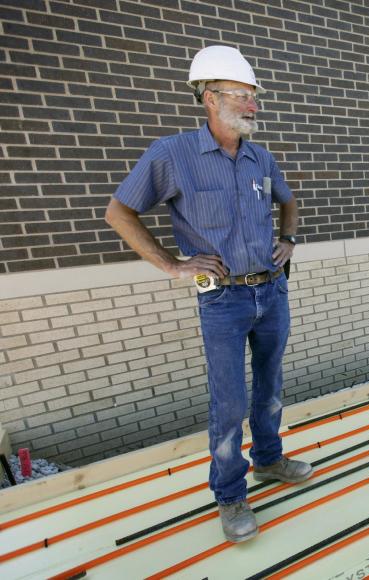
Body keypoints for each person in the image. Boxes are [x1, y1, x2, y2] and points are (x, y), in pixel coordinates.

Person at [105, 45, 312, 543]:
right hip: (222, 299)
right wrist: (172, 266)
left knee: (271, 388)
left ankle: (268, 459)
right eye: (242, 96)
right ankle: (230, 493)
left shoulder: (261, 156)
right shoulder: (171, 155)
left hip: (271, 292)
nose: (253, 106)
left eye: (254, 97)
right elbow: (119, 213)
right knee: (229, 402)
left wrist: (287, 240)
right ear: (210, 98)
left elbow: (288, 201)